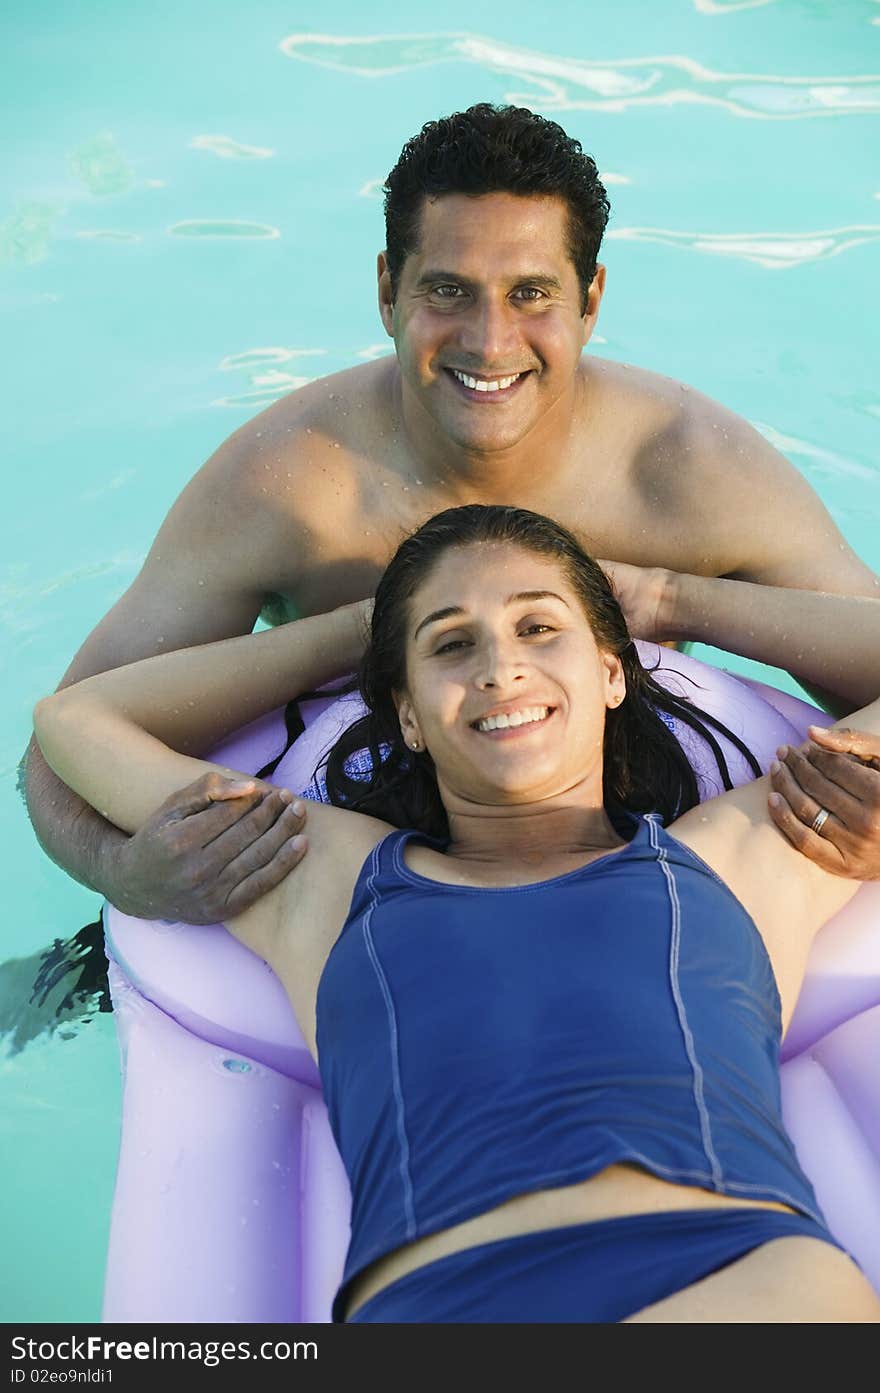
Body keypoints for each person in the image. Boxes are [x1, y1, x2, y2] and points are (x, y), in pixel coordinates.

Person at [24, 102, 880, 931]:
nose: (490, 340)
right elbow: (59, 755)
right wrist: (124, 875)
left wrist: (671, 599)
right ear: (388, 289)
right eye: (449, 290)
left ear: (592, 300)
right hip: (334, 848)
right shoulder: (289, 486)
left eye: (532, 293)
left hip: (628, 838)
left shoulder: (691, 472)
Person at [33, 505, 880, 1322]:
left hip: (740, 1286)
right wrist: (351, 632)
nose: (499, 667)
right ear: (405, 712)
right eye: (449, 642)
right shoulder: (324, 876)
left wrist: (674, 599)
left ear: (614, 672)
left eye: (540, 627)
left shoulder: (738, 856)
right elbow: (77, 720)